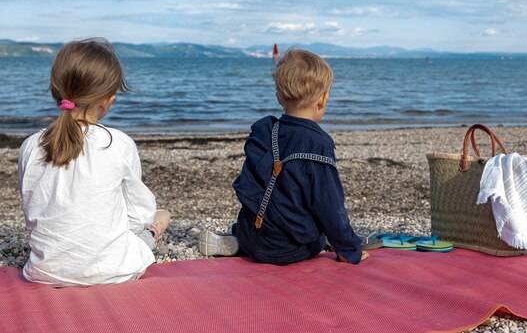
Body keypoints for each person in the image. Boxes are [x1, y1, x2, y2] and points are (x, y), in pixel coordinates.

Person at [17, 38, 170, 287]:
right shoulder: (118, 144)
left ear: (56, 91)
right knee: (161, 215)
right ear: (108, 99)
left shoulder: (30, 146)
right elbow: (139, 213)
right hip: (112, 271)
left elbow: (32, 208)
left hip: (45, 271)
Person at [199, 48, 368, 265]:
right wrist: (348, 249)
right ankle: (328, 242)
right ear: (323, 99)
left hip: (253, 234)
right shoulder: (318, 144)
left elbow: (250, 183)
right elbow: (330, 206)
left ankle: (237, 240)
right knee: (321, 236)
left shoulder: (264, 131)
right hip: (287, 249)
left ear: (279, 97)